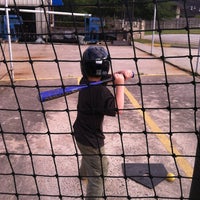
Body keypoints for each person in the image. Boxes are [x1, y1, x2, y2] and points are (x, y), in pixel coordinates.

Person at [73, 46, 133, 199]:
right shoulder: (101, 93)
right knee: (100, 171)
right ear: (105, 68)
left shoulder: (84, 81)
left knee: (88, 156)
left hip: (80, 132)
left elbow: (99, 83)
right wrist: (120, 85)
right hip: (92, 139)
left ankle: (83, 174)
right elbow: (118, 108)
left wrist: (115, 76)